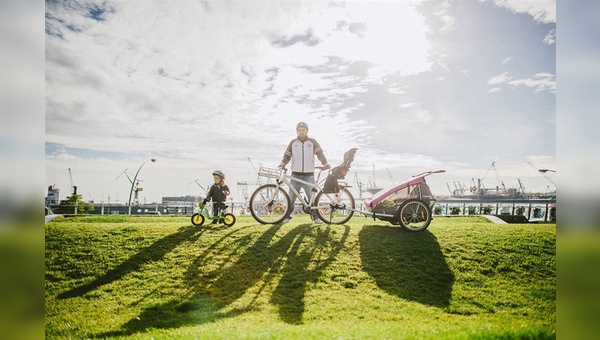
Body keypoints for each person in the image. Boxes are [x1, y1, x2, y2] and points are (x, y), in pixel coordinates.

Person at [279, 122, 331, 223]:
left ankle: (316, 217)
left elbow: (320, 154)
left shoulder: (312, 142)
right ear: (297, 131)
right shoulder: (293, 143)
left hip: (309, 175)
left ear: (307, 131)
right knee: (291, 198)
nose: (301, 132)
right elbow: (287, 156)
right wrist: (282, 164)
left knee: (312, 199)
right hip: (295, 175)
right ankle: (286, 217)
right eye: (299, 130)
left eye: (303, 130)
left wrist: (325, 163)